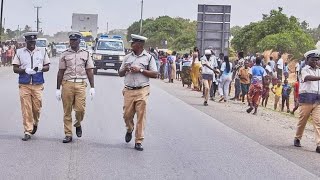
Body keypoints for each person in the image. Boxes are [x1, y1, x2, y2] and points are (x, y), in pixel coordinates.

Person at [118, 34, 158, 151]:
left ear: (140, 45)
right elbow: (120, 73)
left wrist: (140, 70)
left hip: (142, 90)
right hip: (129, 90)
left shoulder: (149, 58)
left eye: (133, 43)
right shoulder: (127, 57)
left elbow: (155, 74)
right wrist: (126, 69)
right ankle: (129, 128)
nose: (131, 45)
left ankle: (139, 140)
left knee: (141, 115)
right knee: (127, 115)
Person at [56, 32, 95, 143]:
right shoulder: (64, 54)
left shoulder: (86, 54)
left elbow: (89, 71)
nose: (72, 42)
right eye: (71, 40)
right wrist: (58, 89)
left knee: (80, 109)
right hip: (67, 83)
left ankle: (78, 123)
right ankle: (68, 134)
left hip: (81, 84)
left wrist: (92, 87)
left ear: (79, 41)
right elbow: (60, 72)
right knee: (67, 110)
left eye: (74, 40)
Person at [12, 32, 50, 141]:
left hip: (38, 84)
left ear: (35, 41)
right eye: (30, 42)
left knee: (37, 108)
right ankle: (27, 130)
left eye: (33, 42)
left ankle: (35, 122)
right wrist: (24, 70)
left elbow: (47, 67)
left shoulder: (42, 51)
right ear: (26, 42)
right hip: (24, 84)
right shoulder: (19, 52)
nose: (32, 44)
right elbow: (15, 68)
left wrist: (41, 68)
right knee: (26, 108)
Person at [294, 50, 320, 154]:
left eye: (317, 60)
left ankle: (319, 144)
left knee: (317, 122)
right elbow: (307, 78)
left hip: (317, 100)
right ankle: (297, 137)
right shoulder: (303, 70)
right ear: (307, 60)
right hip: (306, 99)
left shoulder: (319, 70)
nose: (315, 61)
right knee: (303, 120)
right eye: (313, 59)